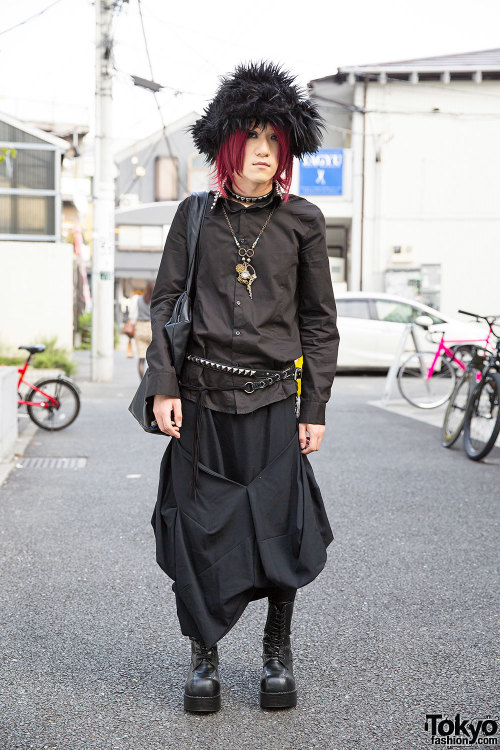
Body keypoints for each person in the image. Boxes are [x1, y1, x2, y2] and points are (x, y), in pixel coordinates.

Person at [144, 61, 340, 713]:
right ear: (229, 142)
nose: (264, 150)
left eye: (275, 139)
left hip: (275, 405)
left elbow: (318, 322)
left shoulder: (303, 221)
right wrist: (162, 385)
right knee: (201, 531)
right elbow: (165, 300)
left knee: (280, 530)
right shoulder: (194, 216)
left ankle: (276, 653)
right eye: (253, 136)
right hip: (200, 402)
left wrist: (314, 407)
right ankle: (204, 658)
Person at [128, 282, 154, 378]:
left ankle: (142, 383)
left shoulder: (137, 299)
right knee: (154, 358)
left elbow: (132, 315)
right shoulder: (156, 300)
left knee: (141, 359)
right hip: (152, 329)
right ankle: (152, 381)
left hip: (140, 329)